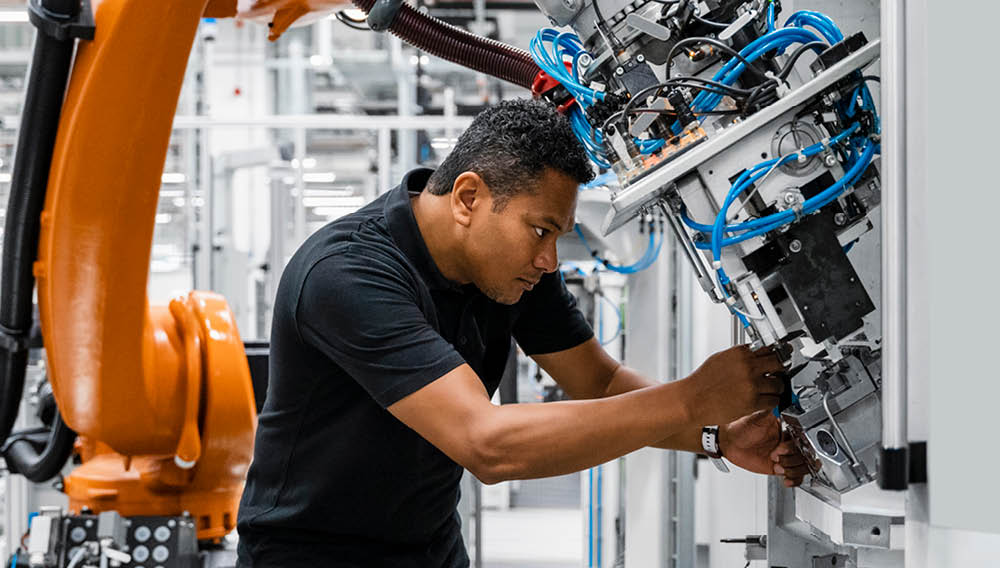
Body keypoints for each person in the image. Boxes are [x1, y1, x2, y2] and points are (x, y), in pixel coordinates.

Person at [236, 98, 810, 567]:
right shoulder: (347, 274)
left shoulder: (510, 274)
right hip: (311, 555)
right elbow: (487, 443)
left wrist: (716, 434)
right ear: (468, 198)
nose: (550, 260)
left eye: (557, 234)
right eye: (540, 231)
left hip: (430, 548)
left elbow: (601, 382)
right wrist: (689, 401)